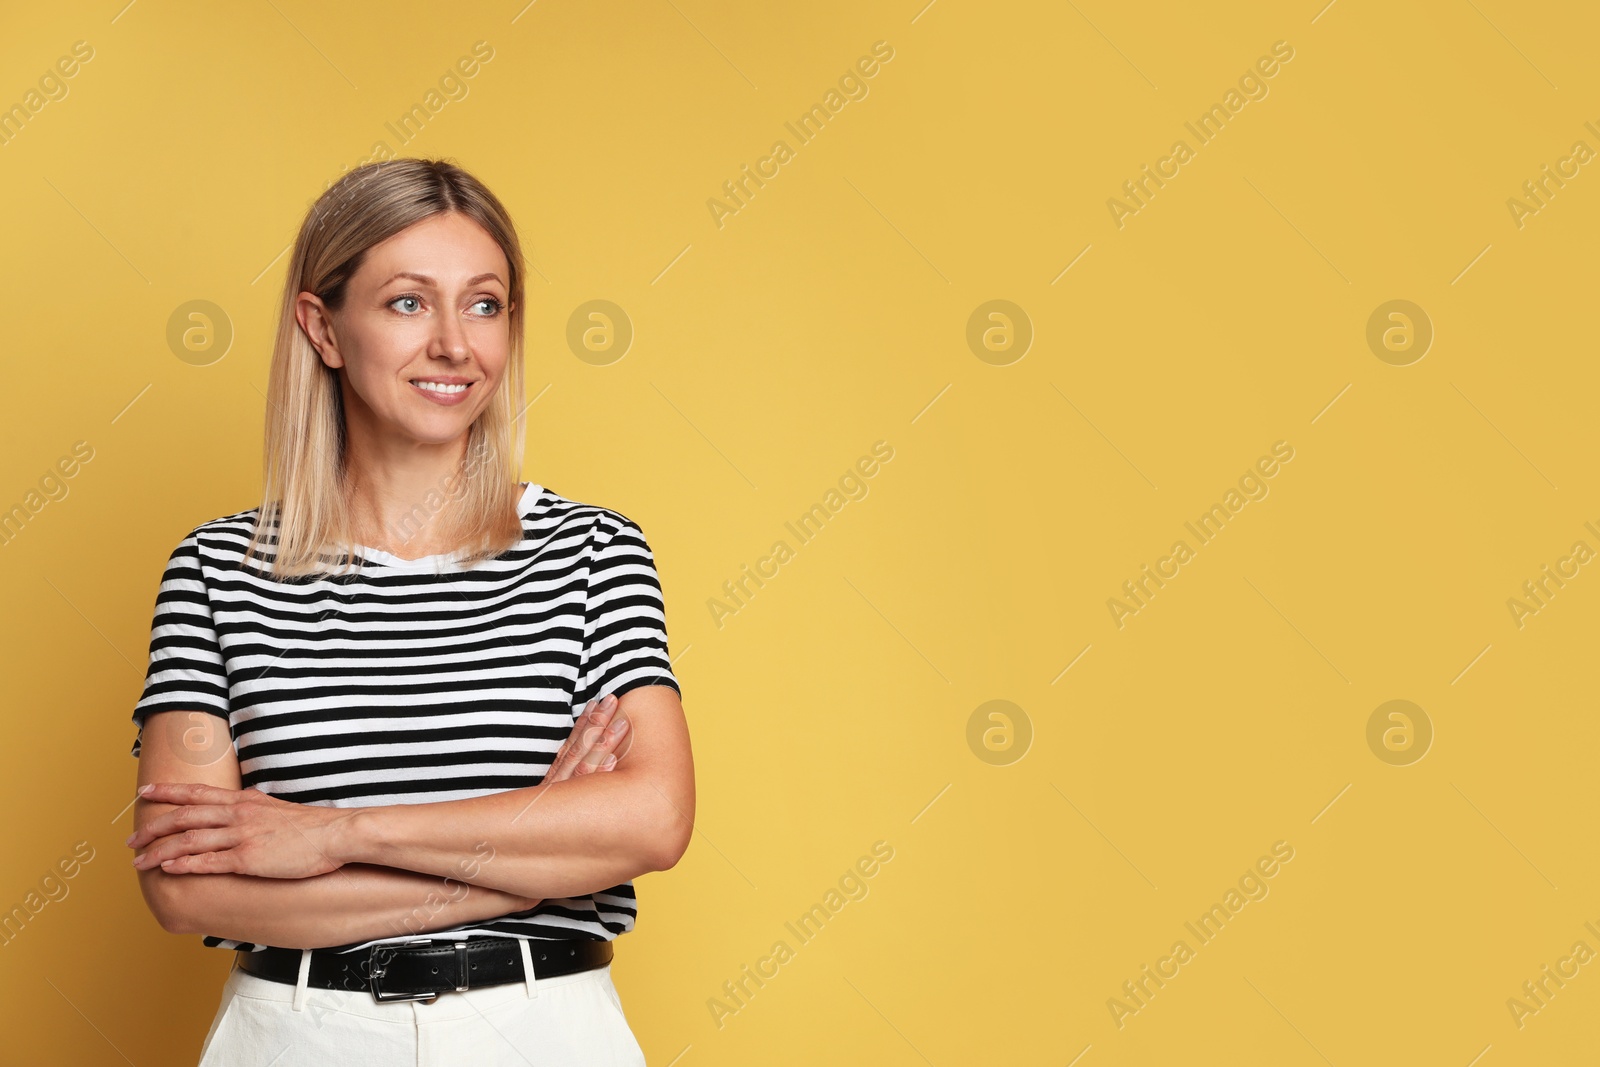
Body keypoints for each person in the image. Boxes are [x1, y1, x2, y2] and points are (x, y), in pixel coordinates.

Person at [124, 157, 694, 1066]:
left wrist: (333, 835)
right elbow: (188, 890)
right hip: (299, 1034)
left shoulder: (594, 553)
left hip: (544, 1032)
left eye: (484, 304)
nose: (455, 346)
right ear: (323, 328)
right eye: (406, 302)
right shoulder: (218, 572)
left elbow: (653, 820)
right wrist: (530, 843)